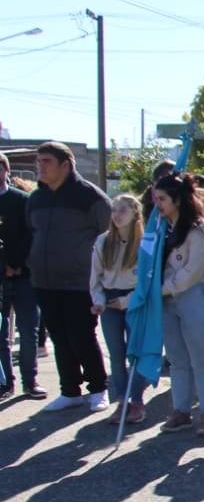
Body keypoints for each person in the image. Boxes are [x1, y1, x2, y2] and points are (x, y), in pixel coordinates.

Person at [27, 141, 112, 413]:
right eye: (38, 162)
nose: (40, 167)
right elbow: (31, 232)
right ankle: (70, 391)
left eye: (46, 161)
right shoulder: (36, 198)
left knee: (81, 336)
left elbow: (110, 235)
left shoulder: (90, 196)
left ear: (66, 164)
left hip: (80, 282)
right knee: (59, 338)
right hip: (44, 281)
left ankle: (98, 388)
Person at [154, 174, 204, 437]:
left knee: (203, 359)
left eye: (162, 198)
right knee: (177, 359)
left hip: (199, 299)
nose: (157, 204)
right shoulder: (160, 228)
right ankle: (180, 410)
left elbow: (190, 273)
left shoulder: (201, 230)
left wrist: (158, 289)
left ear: (177, 199)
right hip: (168, 302)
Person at [90, 194, 146, 425]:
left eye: (123, 210)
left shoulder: (144, 243)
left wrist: (127, 301)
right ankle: (122, 400)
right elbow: (95, 277)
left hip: (134, 299)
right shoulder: (103, 241)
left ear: (135, 214)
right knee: (116, 354)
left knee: (135, 354)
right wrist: (99, 300)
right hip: (109, 300)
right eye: (114, 210)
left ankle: (136, 402)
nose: (117, 215)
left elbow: (146, 282)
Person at [0, 151, 44, 399]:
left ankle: (31, 381)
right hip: (0, 278)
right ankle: (5, 382)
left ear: (7, 170)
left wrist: (16, 264)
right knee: (1, 333)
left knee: (29, 331)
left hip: (25, 276)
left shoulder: (23, 200)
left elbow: (32, 236)